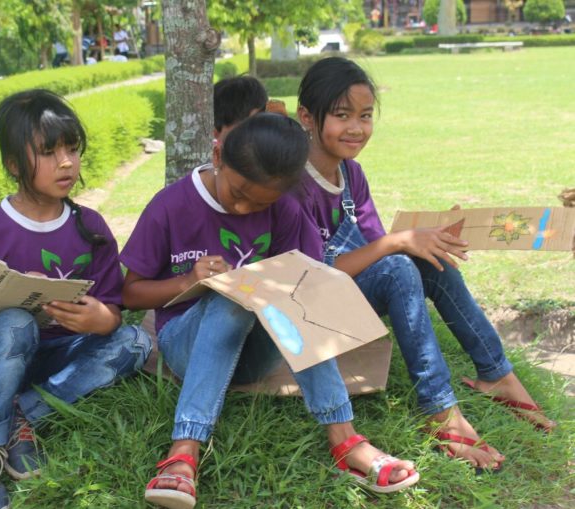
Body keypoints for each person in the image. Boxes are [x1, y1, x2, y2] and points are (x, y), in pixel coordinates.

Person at [120, 112, 420, 509]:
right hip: (186, 348)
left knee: (292, 295)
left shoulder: (286, 210)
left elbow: (310, 285)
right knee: (229, 298)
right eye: (238, 193)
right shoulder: (171, 205)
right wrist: (186, 282)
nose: (244, 209)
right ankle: (184, 449)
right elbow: (130, 294)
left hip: (258, 355)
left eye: (261, 203)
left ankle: (345, 439)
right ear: (217, 155)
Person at [294, 57, 556, 474]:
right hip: (310, 305)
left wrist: (423, 238)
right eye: (342, 116)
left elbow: (374, 247)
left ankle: (497, 375)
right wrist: (398, 243)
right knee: (400, 265)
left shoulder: (351, 173)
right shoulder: (293, 183)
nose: (356, 128)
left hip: (349, 291)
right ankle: (439, 410)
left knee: (430, 260)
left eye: (365, 116)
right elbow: (307, 277)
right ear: (307, 116)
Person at [0, 89, 152, 509]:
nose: (66, 162)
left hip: (60, 354)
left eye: (72, 149)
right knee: (16, 323)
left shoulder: (90, 227)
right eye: (48, 152)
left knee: (135, 342)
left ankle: (20, 415)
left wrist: (103, 319)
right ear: (13, 164)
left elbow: (112, 308)